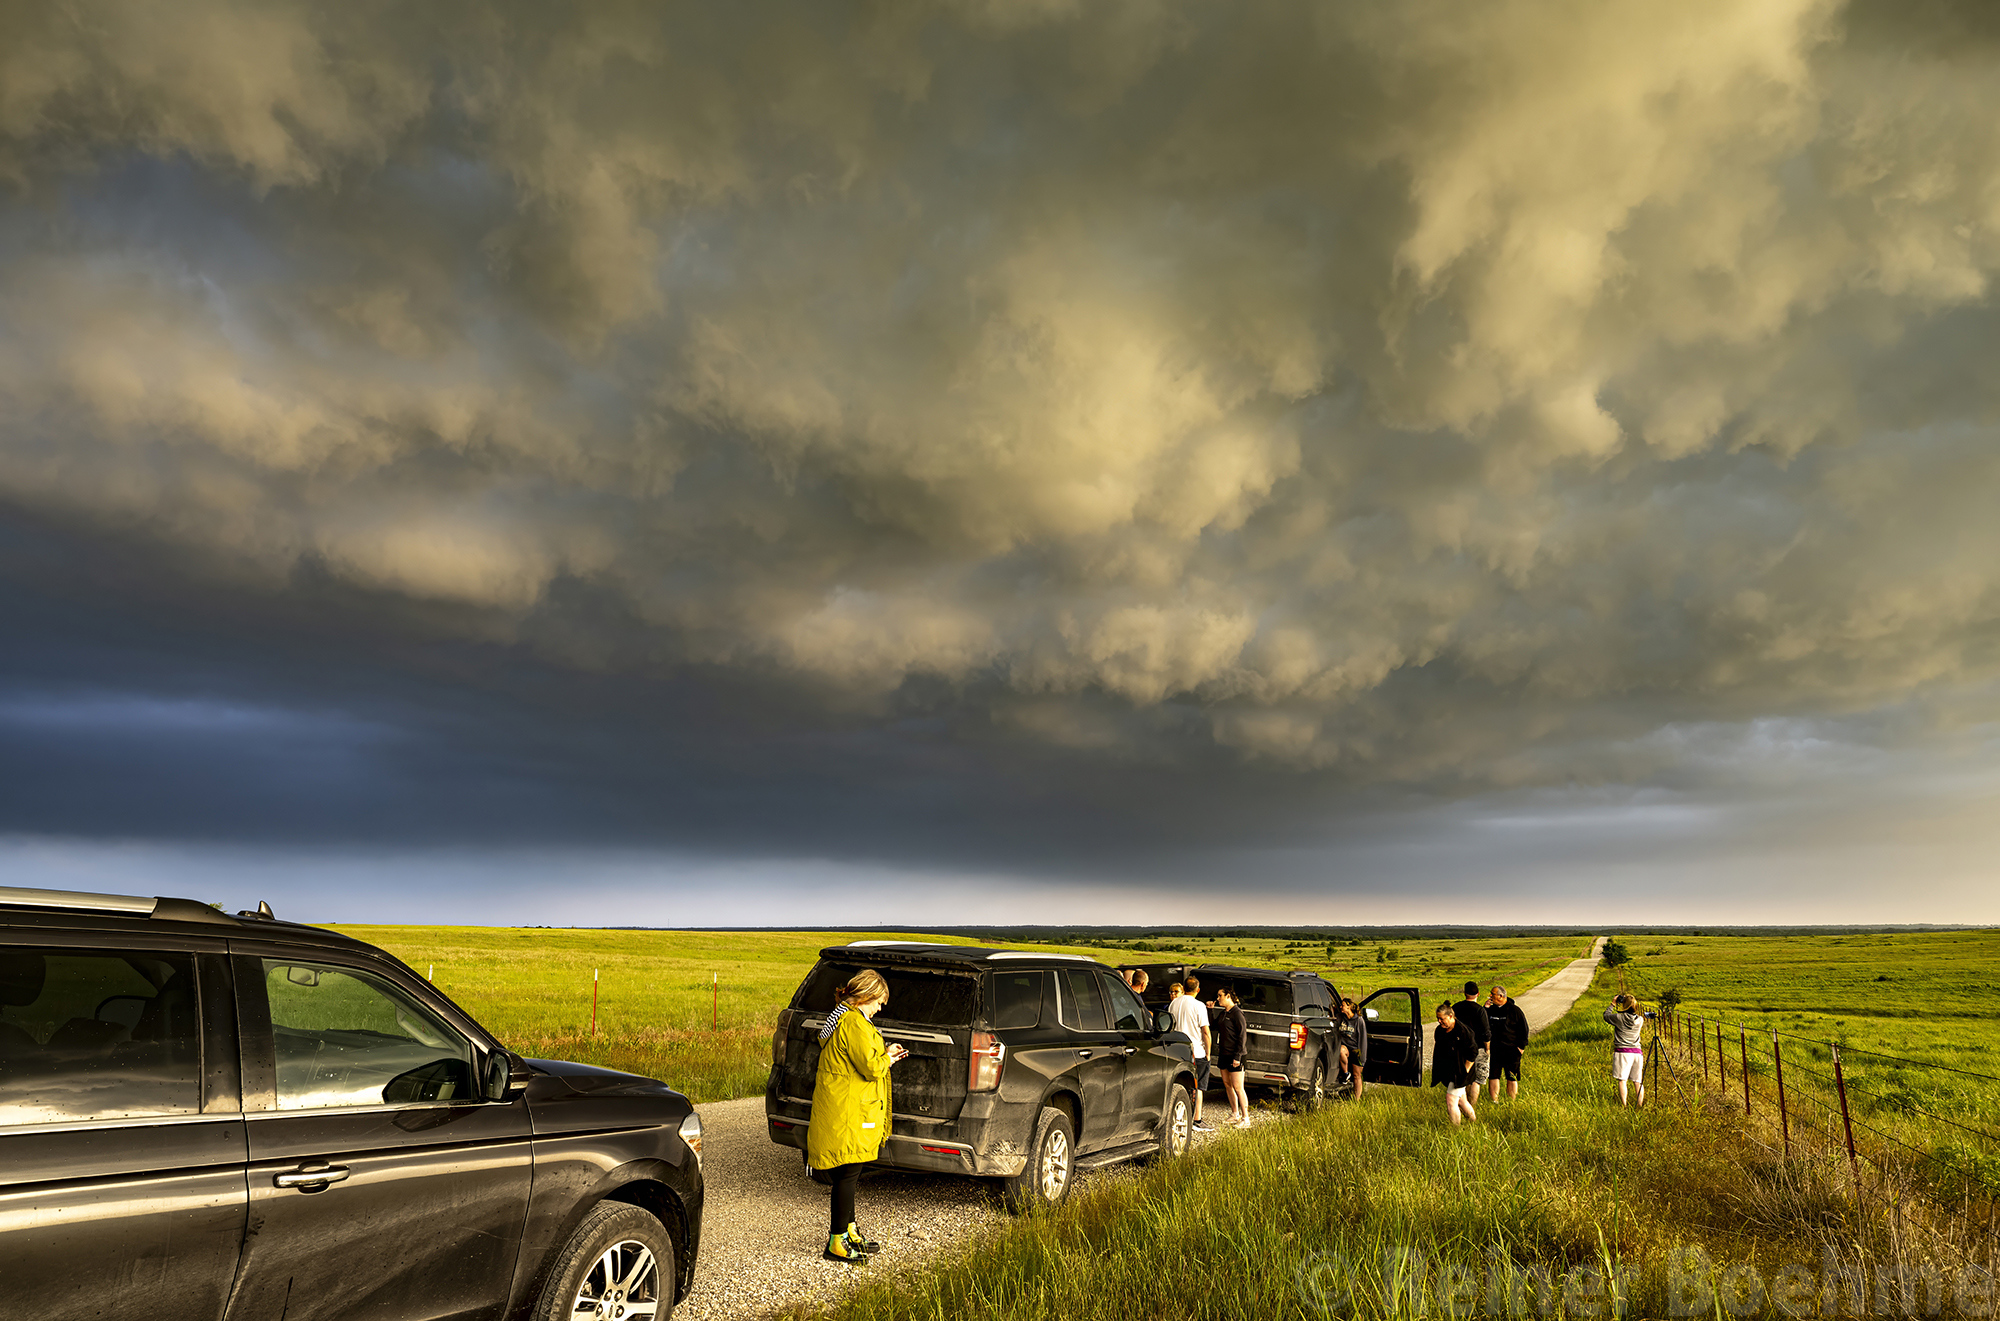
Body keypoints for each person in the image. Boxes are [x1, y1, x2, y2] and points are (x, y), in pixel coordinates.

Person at [807, 969, 908, 1263]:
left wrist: (884, 1050)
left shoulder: (847, 1018)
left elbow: (860, 1056)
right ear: (866, 995)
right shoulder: (853, 1023)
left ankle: (849, 1232)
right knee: (848, 1174)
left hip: (846, 1106)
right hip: (849, 1110)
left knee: (849, 1172)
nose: (880, 1008)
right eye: (879, 1002)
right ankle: (837, 1241)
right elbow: (871, 1067)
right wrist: (888, 1058)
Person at [1167, 981, 1213, 1129]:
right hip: (1196, 1051)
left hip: (1176, 1049)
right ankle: (1197, 1120)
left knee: (1179, 1085)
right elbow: (1205, 1031)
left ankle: (1179, 1117)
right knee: (1198, 1087)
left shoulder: (1173, 1004)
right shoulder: (1199, 1006)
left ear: (1184, 988)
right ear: (1198, 990)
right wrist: (1208, 1053)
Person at [1431, 1002, 1479, 1125]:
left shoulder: (1464, 1031)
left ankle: (1455, 1129)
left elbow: (1473, 1053)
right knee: (1462, 1101)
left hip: (1462, 1071)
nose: (1439, 1021)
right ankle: (1473, 1123)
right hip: (1450, 1071)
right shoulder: (1440, 1031)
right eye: (1438, 1019)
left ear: (1451, 1016)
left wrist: (1465, 1070)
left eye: (1442, 1019)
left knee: (1451, 1100)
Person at [1212, 986, 1249, 1125]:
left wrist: (1237, 1056)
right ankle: (1235, 1113)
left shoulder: (1237, 1013)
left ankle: (1246, 1118)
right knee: (1228, 1084)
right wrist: (1210, 1010)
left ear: (1228, 996)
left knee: (1238, 1086)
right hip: (1224, 1053)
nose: (1218, 998)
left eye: (1220, 995)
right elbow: (1212, 1026)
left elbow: (1242, 1036)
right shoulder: (1223, 1013)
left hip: (1235, 1055)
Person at [1485, 985, 1529, 1101]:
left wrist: (1521, 1047)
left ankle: (1511, 1101)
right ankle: (1494, 1101)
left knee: (1511, 1077)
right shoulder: (1490, 1010)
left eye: (1492, 994)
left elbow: (1524, 1029)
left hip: (1512, 1049)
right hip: (1495, 1049)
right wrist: (1486, 1009)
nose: (1490, 996)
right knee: (1493, 1076)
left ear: (1501, 996)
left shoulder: (1515, 1010)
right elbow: (1483, 1025)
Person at [1604, 993, 1647, 1108]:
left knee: (1622, 1080)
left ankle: (1624, 1105)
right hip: (1637, 1052)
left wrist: (1613, 1004)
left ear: (1624, 1004)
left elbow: (1606, 1016)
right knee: (1638, 1081)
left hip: (1623, 1052)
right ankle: (1640, 1105)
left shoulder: (1619, 1018)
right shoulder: (1640, 1020)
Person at [1457, 981, 1492, 1100]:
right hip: (1479, 1047)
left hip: (1461, 1047)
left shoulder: (1456, 1007)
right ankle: (1472, 1104)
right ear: (1478, 994)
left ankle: (1463, 1102)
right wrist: (1487, 1048)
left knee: (1465, 1076)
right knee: (1477, 1080)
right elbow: (1486, 1032)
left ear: (1464, 993)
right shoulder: (1480, 1010)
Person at [1336, 997, 1368, 1101]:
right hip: (1345, 1047)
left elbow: (1363, 1039)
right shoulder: (1340, 1017)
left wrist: (1362, 1058)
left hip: (1355, 1049)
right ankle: (1346, 1074)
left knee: (1356, 1075)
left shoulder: (1359, 1020)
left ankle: (1356, 1099)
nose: (1341, 1007)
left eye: (1343, 1005)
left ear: (1349, 1007)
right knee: (1341, 1050)